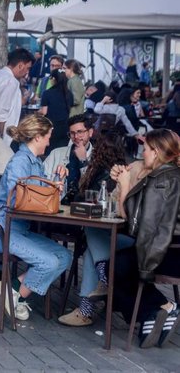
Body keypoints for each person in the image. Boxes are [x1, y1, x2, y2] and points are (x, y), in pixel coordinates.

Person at [0, 114, 71, 321]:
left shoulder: (35, 163)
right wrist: (46, 192)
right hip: (1, 230)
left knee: (64, 257)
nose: (50, 142)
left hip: (19, 230)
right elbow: (17, 201)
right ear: (38, 137)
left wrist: (58, 181)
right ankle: (16, 296)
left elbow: (45, 199)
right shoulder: (20, 161)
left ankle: (13, 291)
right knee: (49, 262)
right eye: (48, 136)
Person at [109, 129, 180, 348]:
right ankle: (156, 313)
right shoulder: (172, 174)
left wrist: (125, 186)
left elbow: (138, 227)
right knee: (113, 265)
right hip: (172, 250)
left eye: (146, 149)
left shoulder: (160, 180)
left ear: (157, 152)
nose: (142, 153)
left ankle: (157, 308)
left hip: (163, 253)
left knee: (111, 268)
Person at [58, 132, 128, 327]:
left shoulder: (111, 173)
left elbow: (83, 200)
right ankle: (101, 279)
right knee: (91, 248)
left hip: (126, 236)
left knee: (91, 232)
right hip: (112, 234)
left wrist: (82, 164)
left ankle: (86, 309)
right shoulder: (117, 170)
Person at [43, 114, 94, 203]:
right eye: (72, 133)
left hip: (84, 208)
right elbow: (42, 180)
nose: (76, 137)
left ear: (90, 132)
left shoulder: (98, 156)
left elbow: (93, 189)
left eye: (80, 132)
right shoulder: (56, 153)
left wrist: (83, 161)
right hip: (57, 205)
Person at [39, 70, 73, 154]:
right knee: (61, 153)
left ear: (54, 79)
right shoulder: (69, 94)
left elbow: (44, 112)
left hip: (51, 127)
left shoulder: (47, 93)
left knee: (49, 153)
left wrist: (36, 113)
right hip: (65, 128)